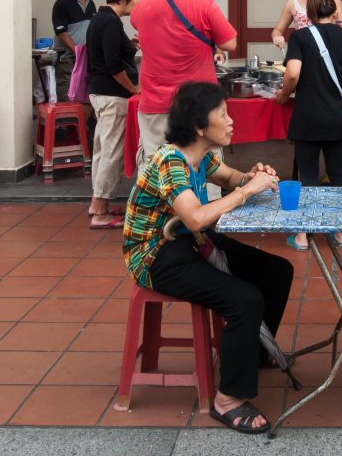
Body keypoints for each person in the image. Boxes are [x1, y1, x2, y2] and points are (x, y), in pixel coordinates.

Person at [123, 81, 293, 434]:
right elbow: (196, 217)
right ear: (200, 127)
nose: (231, 121)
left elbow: (228, 176)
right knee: (245, 299)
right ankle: (227, 398)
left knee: (278, 271)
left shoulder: (203, 155)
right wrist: (247, 191)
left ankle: (253, 351)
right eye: (223, 115)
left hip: (190, 241)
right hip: (156, 255)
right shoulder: (170, 161)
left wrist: (251, 177)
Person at [275, 0, 342, 251]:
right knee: (339, 173)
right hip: (338, 117)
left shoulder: (301, 37)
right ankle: (341, 233)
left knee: (308, 175)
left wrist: (283, 94)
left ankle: (303, 234)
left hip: (308, 116)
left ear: (310, 15)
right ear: (335, 13)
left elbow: (292, 74)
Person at [130, 0, 238, 170]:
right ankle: (205, 202)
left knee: (156, 165)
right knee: (206, 164)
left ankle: (156, 202)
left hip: (154, 101)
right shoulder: (204, 4)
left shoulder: (144, 6)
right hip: (198, 105)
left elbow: (138, 26)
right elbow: (230, 43)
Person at [86, 0, 143, 229]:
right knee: (111, 152)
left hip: (100, 93)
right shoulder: (109, 22)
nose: (137, 3)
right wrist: (133, 89)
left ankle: (98, 203)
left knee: (101, 150)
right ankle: (100, 211)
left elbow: (113, 52)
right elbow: (112, 64)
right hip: (112, 95)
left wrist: (132, 43)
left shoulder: (102, 18)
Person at [52, 0, 97, 102]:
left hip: (87, 57)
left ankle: (82, 123)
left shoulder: (91, 4)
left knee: (86, 94)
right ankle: (67, 123)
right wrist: (77, 51)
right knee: (68, 93)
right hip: (69, 58)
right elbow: (61, 31)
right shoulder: (61, 4)